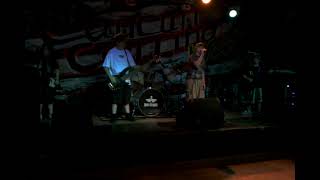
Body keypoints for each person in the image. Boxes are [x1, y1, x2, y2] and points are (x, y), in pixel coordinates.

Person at [102, 33, 136, 122]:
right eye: (123, 42)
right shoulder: (111, 52)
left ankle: (128, 115)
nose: (125, 44)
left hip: (126, 79)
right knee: (115, 98)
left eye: (125, 42)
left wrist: (129, 76)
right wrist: (112, 78)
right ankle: (114, 115)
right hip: (115, 78)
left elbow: (133, 66)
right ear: (118, 42)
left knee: (127, 98)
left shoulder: (127, 52)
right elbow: (105, 66)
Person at [39, 33, 60, 123]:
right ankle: (41, 116)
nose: (45, 51)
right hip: (43, 80)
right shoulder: (42, 59)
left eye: (46, 50)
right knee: (42, 99)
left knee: (49, 99)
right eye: (44, 50)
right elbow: (39, 70)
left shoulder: (52, 59)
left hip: (50, 80)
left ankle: (50, 116)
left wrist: (57, 80)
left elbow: (57, 70)